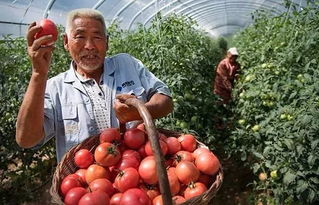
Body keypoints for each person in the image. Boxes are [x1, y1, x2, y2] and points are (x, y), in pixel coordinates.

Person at [15, 8, 173, 162]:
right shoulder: (55, 88)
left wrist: (141, 112)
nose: (89, 45)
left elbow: (166, 101)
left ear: (107, 42)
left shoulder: (127, 64)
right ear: (66, 42)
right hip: (83, 183)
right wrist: (38, 74)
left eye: (97, 37)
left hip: (136, 173)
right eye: (80, 37)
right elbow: (26, 140)